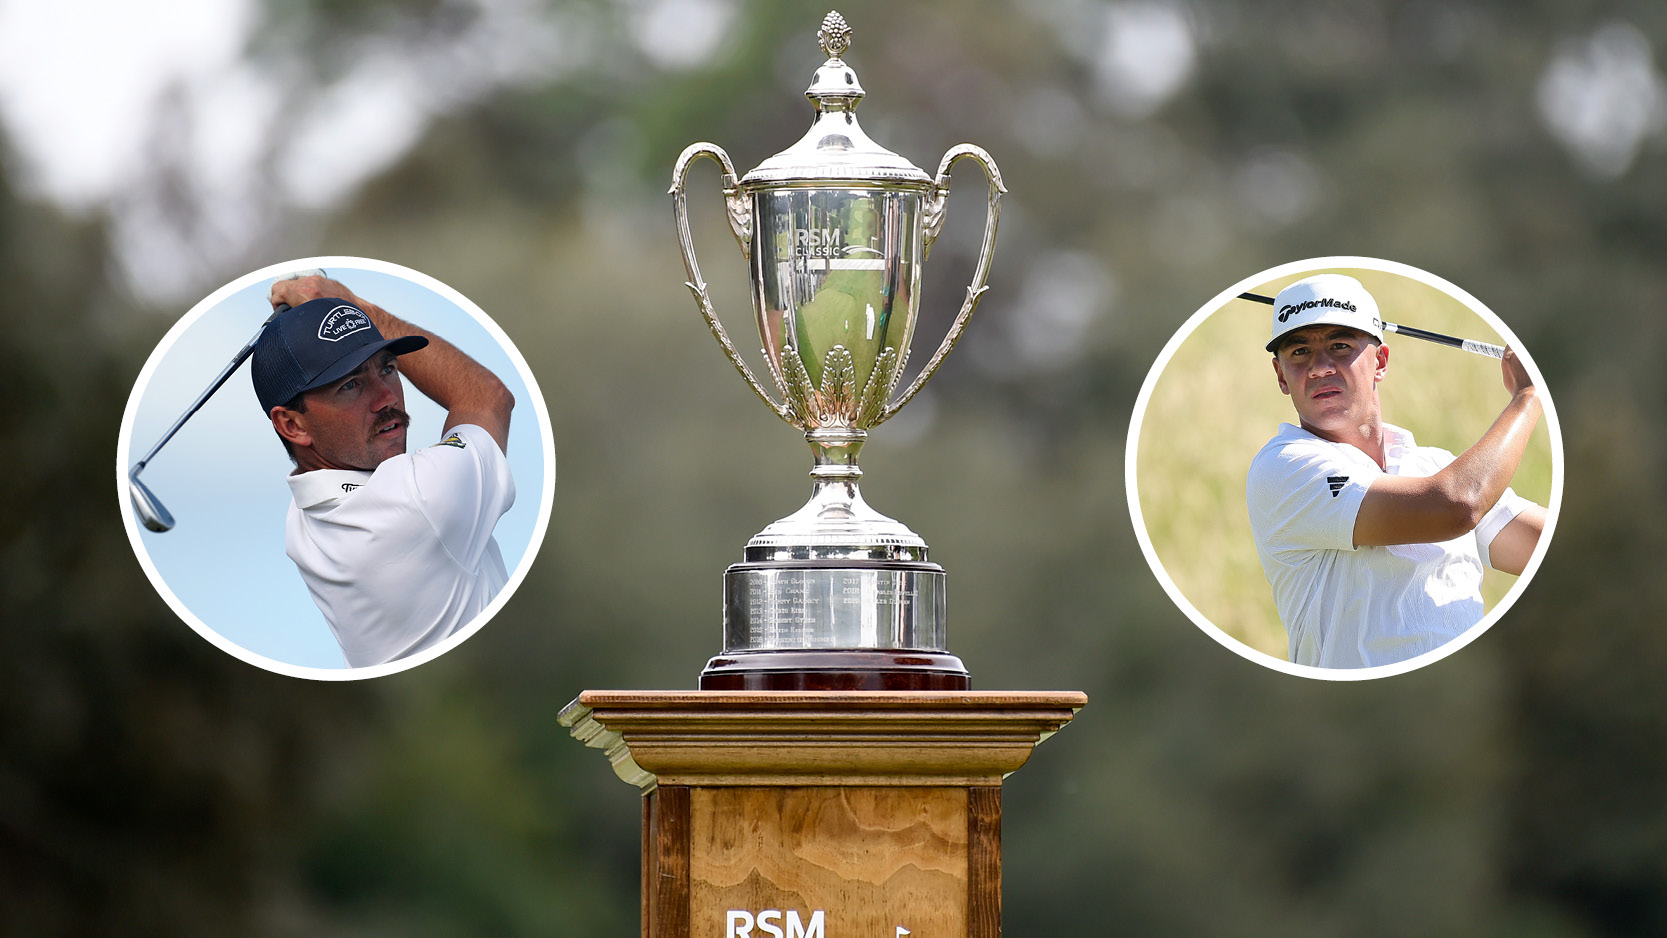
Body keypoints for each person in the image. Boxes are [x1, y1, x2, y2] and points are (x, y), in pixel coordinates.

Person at [1245, 274, 1546, 669]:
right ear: (1281, 375)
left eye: (1339, 346)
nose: (1319, 368)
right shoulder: (1284, 466)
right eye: (1299, 352)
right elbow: (1458, 505)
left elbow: (1542, 546)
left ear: (1381, 362)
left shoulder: (1434, 466)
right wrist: (1529, 395)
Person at [250, 274, 516, 667]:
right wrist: (361, 308)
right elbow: (487, 397)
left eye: (388, 367)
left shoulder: (303, 519)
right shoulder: (416, 500)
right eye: (351, 386)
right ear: (292, 425)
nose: (386, 397)